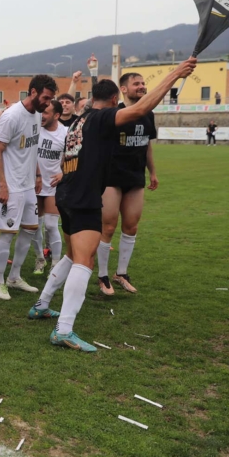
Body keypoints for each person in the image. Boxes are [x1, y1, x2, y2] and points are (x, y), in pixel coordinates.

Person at [29, 58, 197, 351]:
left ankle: (42, 304)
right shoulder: (102, 117)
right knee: (85, 261)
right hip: (83, 197)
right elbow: (141, 109)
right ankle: (63, 330)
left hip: (66, 193)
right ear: (114, 100)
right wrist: (175, 74)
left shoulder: (80, 119)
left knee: (71, 255)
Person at [0, 75, 58, 300]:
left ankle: (14, 277)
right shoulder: (11, 116)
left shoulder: (37, 114)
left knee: (30, 229)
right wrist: (2, 185)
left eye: (51, 99)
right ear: (33, 92)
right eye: (46, 98)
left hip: (28, 184)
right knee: (7, 233)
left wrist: (37, 174)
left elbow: (31, 147)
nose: (48, 103)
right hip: (11, 185)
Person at [97, 72, 160, 296]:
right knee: (108, 227)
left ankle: (121, 274)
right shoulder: (116, 114)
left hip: (135, 178)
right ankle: (102, 276)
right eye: (136, 84)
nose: (141, 86)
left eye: (143, 83)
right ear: (123, 89)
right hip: (112, 178)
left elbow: (147, 145)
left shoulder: (148, 114)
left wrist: (152, 172)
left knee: (131, 227)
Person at [32, 99, 68, 274]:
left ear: (57, 115)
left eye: (46, 112)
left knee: (51, 225)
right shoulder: (35, 129)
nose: (42, 115)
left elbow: (75, 157)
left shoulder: (65, 133)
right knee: (34, 225)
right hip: (33, 183)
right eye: (41, 112)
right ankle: (40, 259)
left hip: (53, 185)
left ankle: (55, 264)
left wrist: (63, 173)